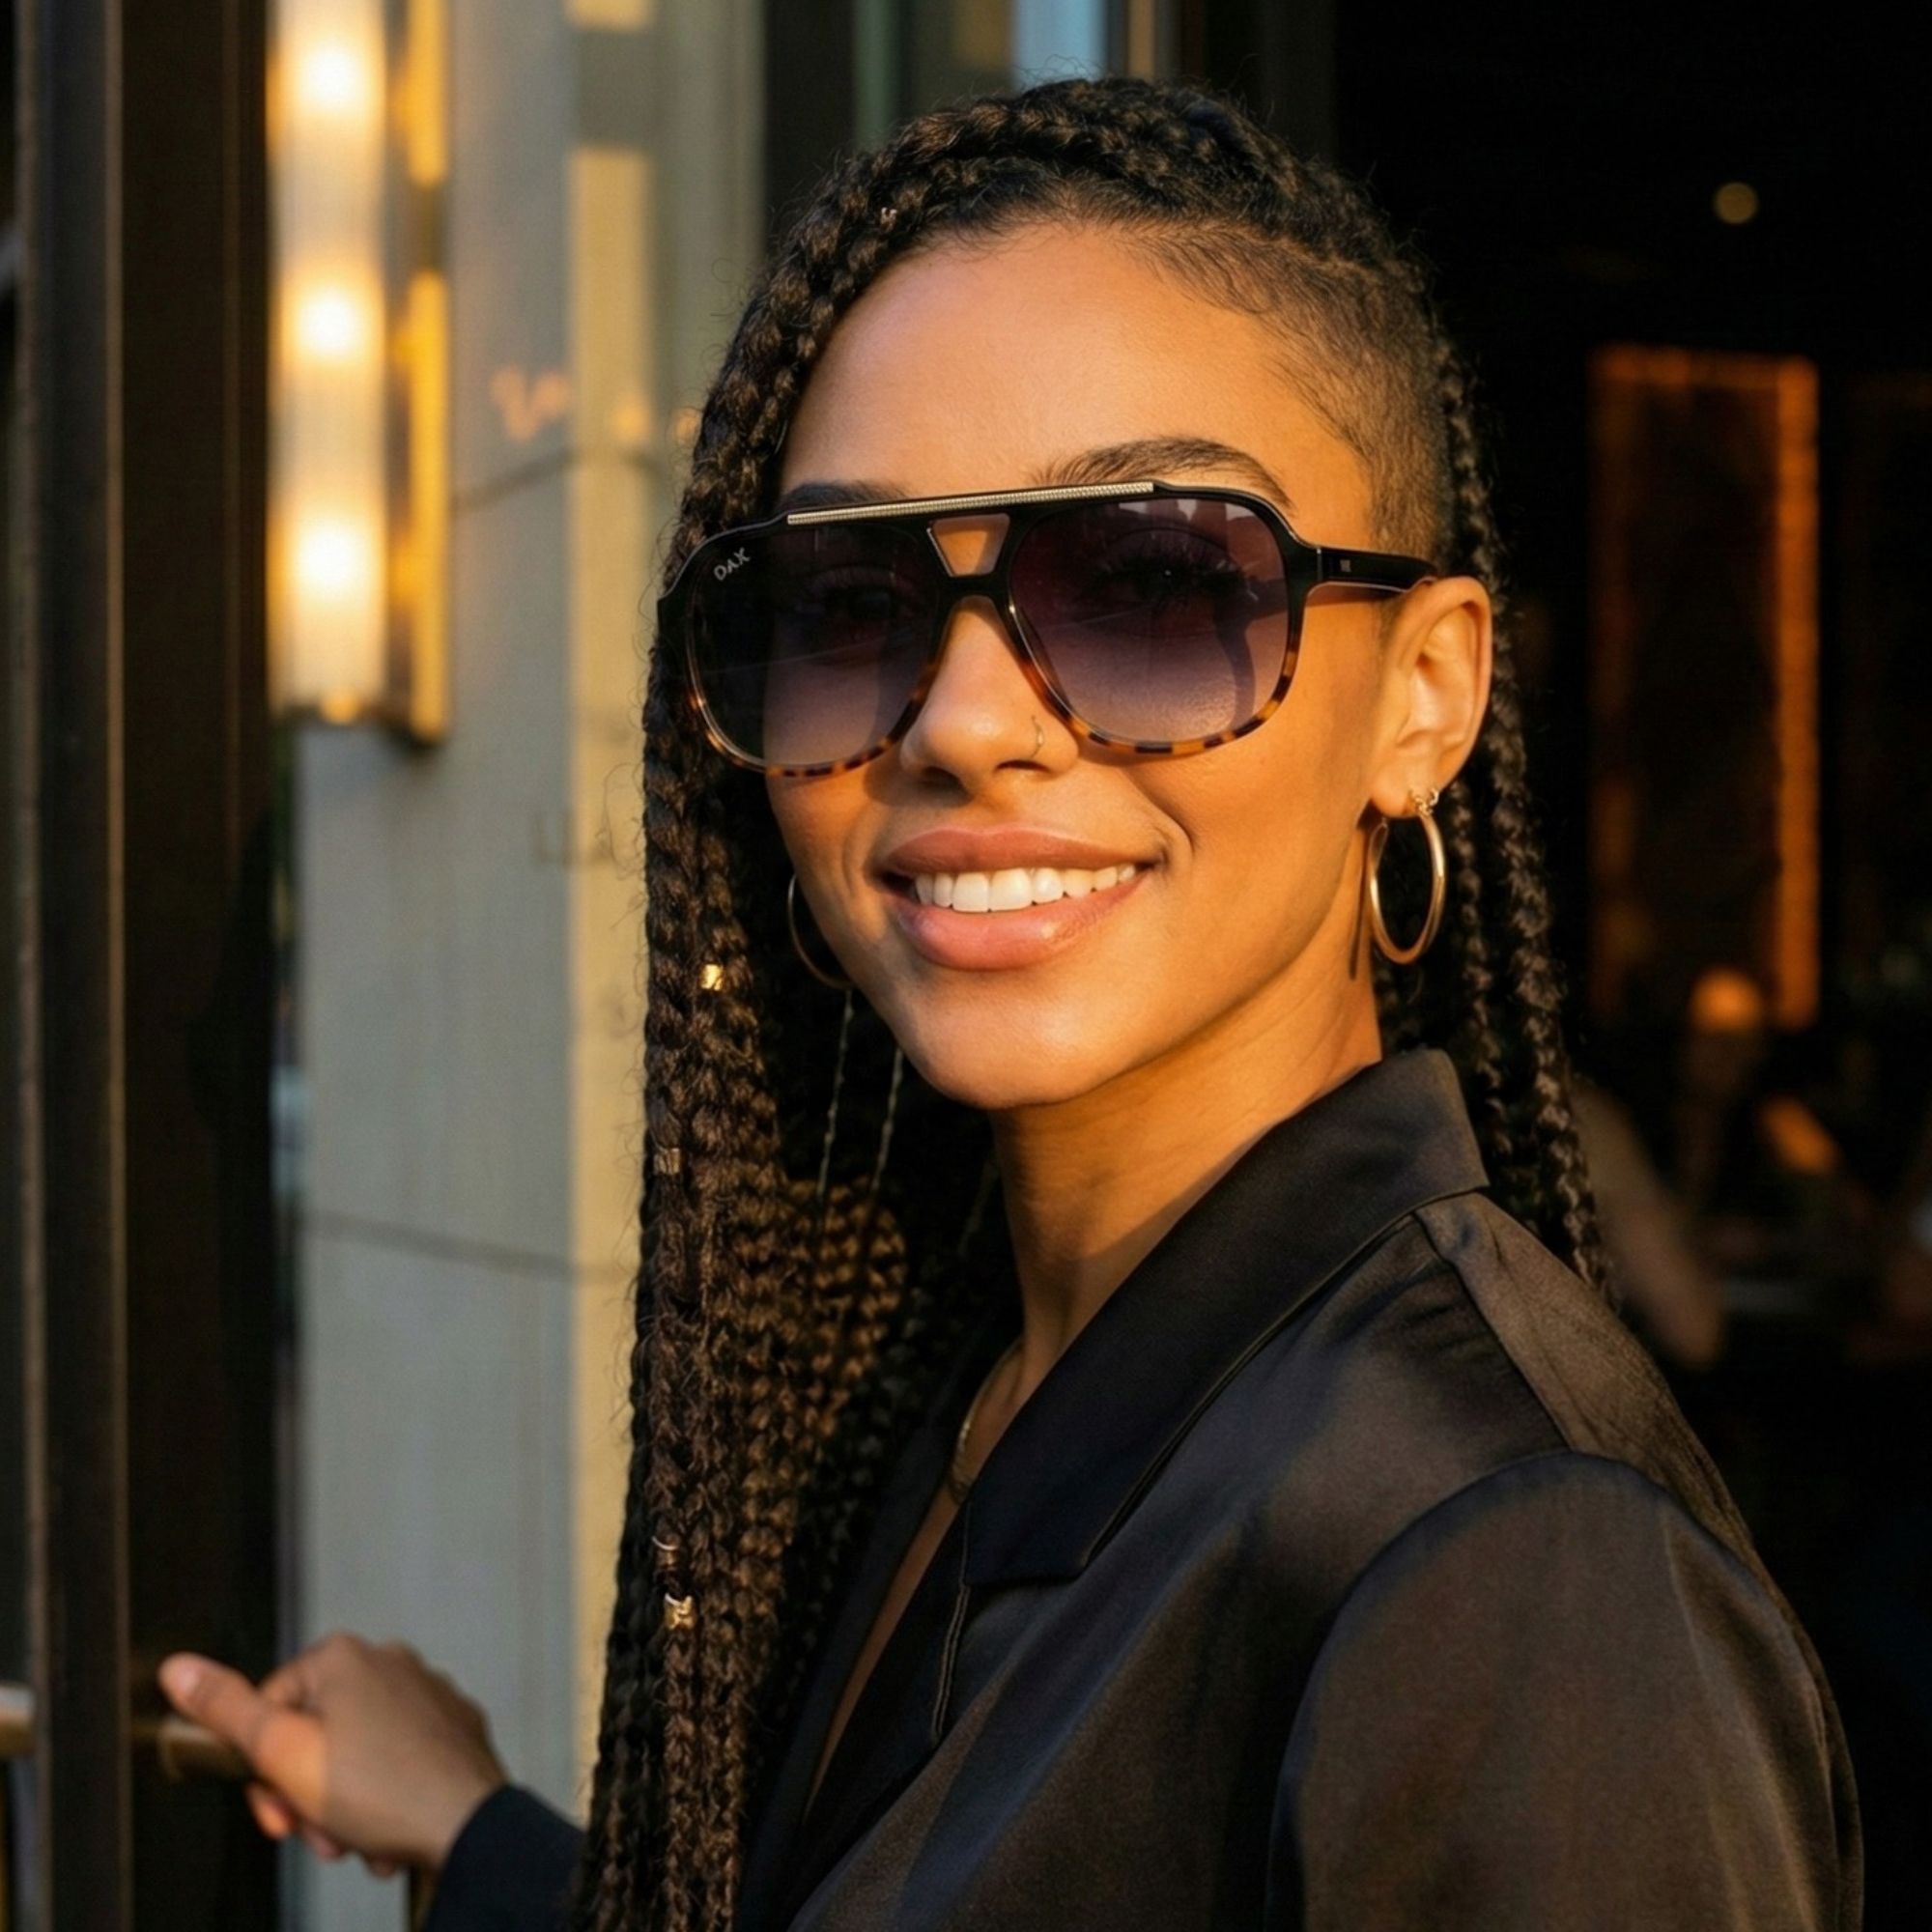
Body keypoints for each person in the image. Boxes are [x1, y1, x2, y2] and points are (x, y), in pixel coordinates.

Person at [160, 76, 1861, 1931]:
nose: (965, 723)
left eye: (1150, 582)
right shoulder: (980, 1379)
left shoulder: (1519, 1578)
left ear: (1425, 700)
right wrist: (474, 1831)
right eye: (848, 602)